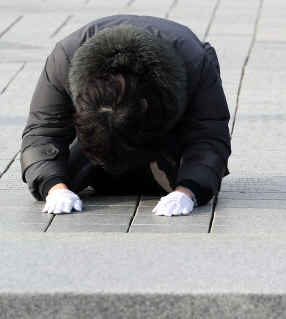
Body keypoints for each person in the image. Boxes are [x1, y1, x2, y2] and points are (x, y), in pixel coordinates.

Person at [20, 15, 231, 217]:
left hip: (164, 146)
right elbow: (43, 131)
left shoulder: (194, 63)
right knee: (56, 170)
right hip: (97, 150)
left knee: (194, 176)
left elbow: (208, 136)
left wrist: (188, 191)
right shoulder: (65, 59)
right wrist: (54, 187)